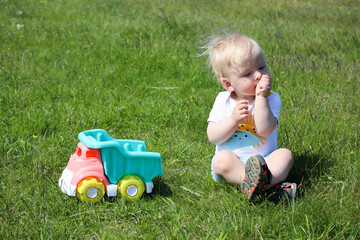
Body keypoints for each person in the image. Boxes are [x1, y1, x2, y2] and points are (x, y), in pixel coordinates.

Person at [204, 33, 296, 201]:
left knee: (285, 155)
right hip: (233, 162)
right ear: (228, 84)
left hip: (265, 161)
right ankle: (263, 185)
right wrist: (232, 120)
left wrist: (261, 98)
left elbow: (264, 128)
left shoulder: (271, 98)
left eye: (261, 67)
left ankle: (260, 185)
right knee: (221, 160)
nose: (258, 75)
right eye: (247, 74)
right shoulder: (223, 100)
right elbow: (213, 136)